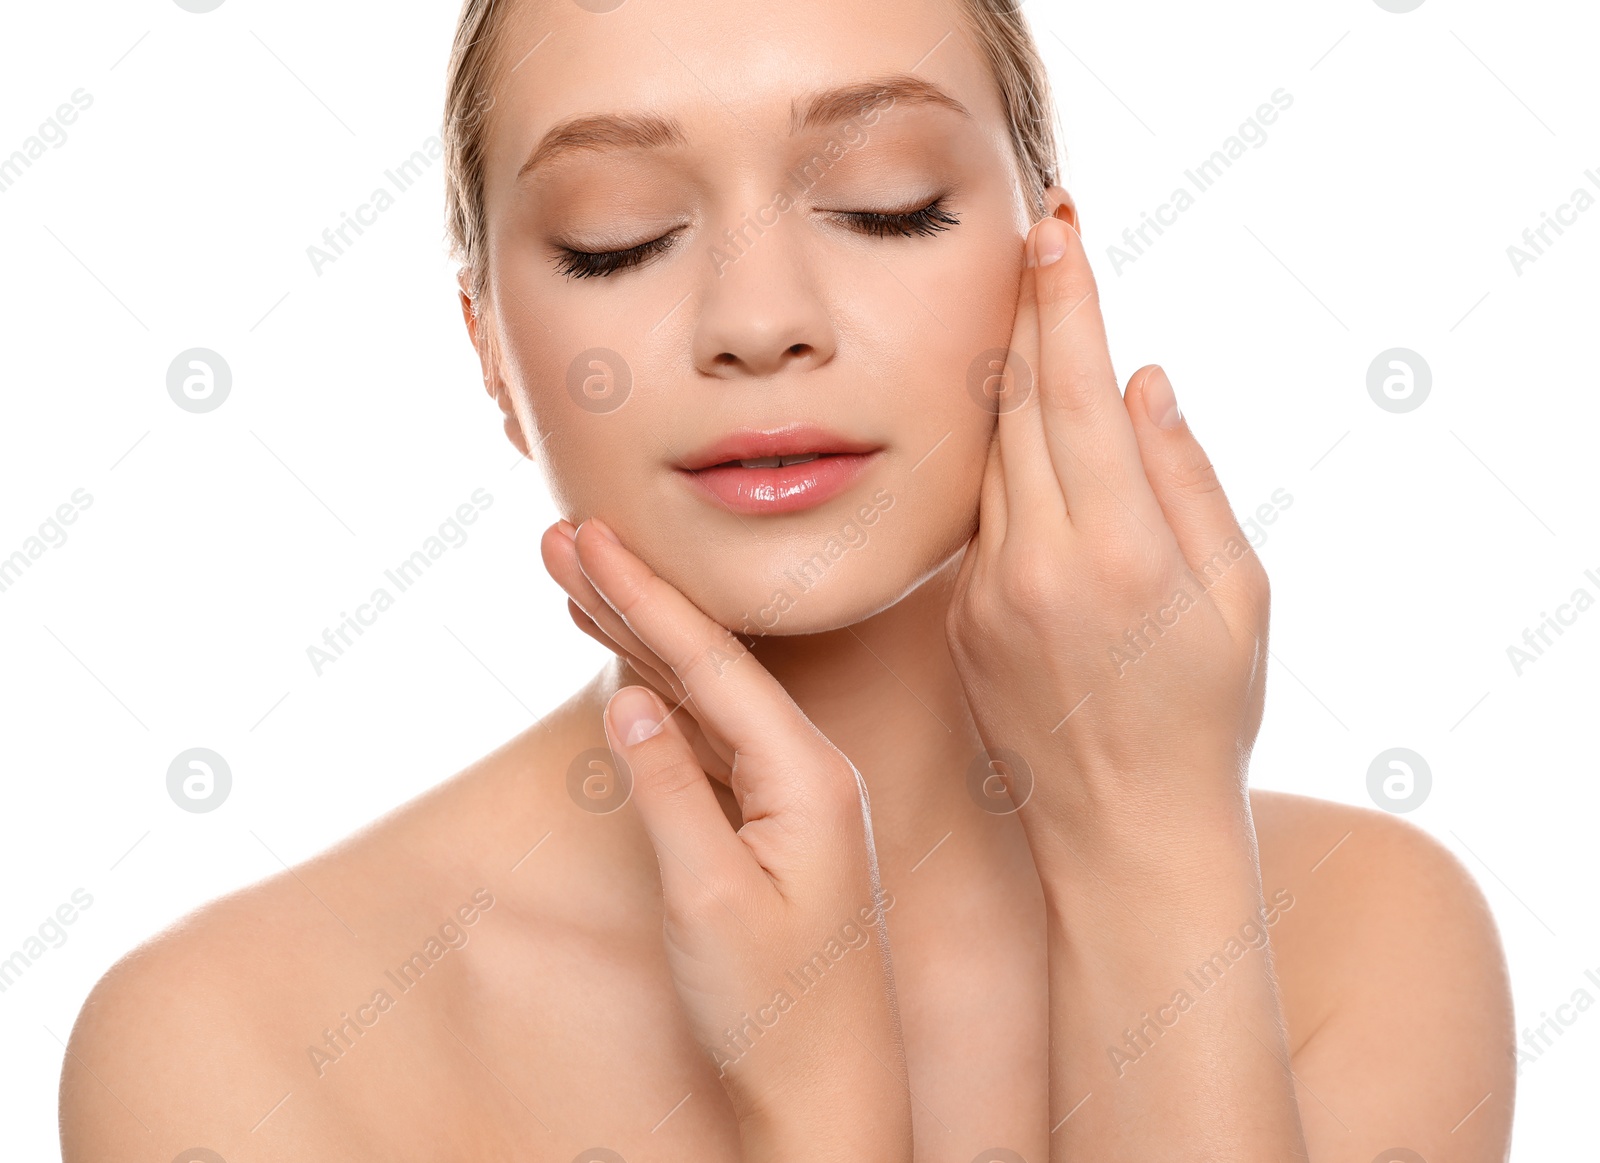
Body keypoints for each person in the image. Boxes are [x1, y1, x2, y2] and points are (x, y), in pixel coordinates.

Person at [60, 0, 1514, 1159]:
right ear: (489, 348)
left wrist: (1154, 868)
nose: (758, 321)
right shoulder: (232, 1049)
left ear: (1045, 255)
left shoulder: (1367, 943)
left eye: (884, 205)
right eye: (616, 234)